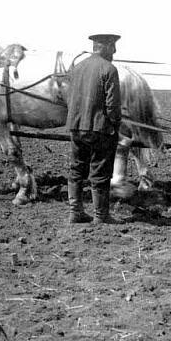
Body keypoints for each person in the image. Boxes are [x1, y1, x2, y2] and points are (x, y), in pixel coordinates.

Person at [65, 33, 123, 224]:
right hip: (100, 129)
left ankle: (75, 212)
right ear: (105, 47)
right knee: (100, 172)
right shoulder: (109, 69)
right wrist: (115, 124)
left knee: (76, 169)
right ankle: (101, 215)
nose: (114, 51)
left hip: (76, 127)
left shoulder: (77, 68)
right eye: (113, 47)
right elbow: (112, 105)